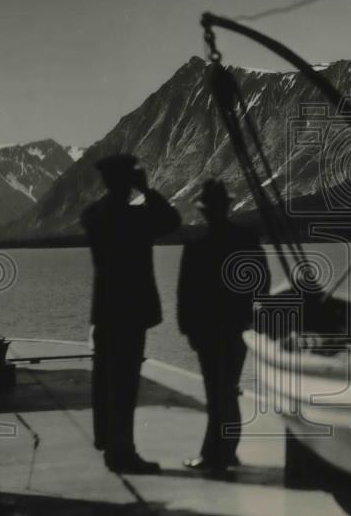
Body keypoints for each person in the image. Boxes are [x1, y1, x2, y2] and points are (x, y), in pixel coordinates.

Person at [81, 154, 181, 474]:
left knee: (105, 380)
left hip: (105, 311)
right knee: (124, 384)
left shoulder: (94, 215)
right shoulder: (136, 218)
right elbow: (172, 221)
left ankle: (109, 444)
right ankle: (123, 451)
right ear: (127, 181)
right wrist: (147, 190)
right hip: (132, 311)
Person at [177, 179, 267, 474]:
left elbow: (185, 292)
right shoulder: (246, 238)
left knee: (217, 392)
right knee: (227, 389)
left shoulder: (196, 246)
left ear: (204, 211)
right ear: (227, 207)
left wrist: (187, 328)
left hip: (206, 331)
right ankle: (226, 451)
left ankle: (215, 455)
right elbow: (261, 281)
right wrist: (251, 315)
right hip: (237, 327)